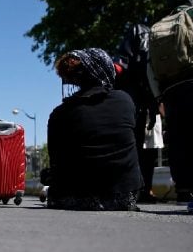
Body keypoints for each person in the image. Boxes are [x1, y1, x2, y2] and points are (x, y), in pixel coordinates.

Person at [47, 48, 143, 211]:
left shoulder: (59, 113)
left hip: (73, 198)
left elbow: (56, 161)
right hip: (124, 196)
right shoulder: (125, 100)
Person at [147, 0, 193, 203]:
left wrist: (159, 97)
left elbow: (150, 68)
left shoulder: (157, 26)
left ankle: (185, 191)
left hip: (171, 93)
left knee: (180, 142)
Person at [114, 23, 161, 203]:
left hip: (135, 100)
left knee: (134, 145)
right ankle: (144, 188)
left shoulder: (138, 32)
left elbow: (120, 64)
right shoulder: (153, 34)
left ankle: (134, 189)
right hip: (153, 97)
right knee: (149, 146)